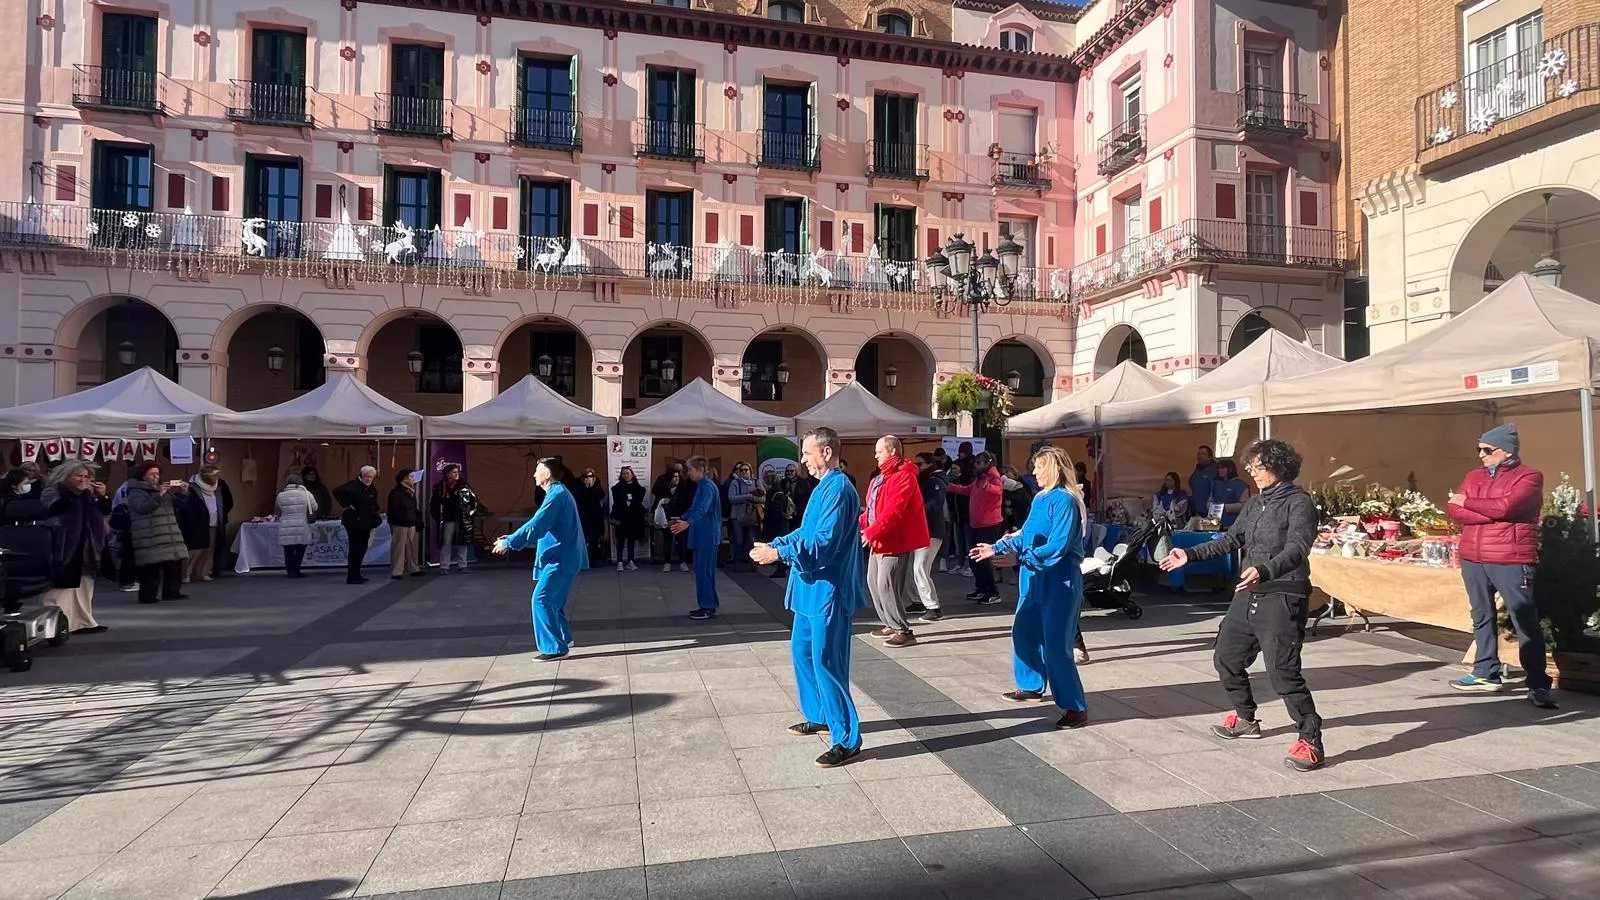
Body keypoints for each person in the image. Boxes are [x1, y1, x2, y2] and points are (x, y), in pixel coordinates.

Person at [1159, 439, 1325, 772]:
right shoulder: (1255, 503)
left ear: (1278, 466)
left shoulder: (1299, 503)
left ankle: (1310, 739)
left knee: (1283, 674)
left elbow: (1297, 548)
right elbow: (1232, 540)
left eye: (1258, 466)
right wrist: (1188, 554)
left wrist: (1265, 570)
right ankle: (1246, 718)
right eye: (1250, 466)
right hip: (1247, 593)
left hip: (1283, 594)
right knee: (1226, 657)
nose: (1252, 472)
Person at [750, 426, 865, 768]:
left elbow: (824, 543)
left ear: (827, 452)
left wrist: (778, 554)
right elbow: (806, 532)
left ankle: (846, 738)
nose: (802, 459)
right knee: (802, 652)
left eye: (807, 452)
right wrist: (776, 544)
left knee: (827, 661)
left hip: (828, 589)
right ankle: (820, 715)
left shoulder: (839, 489)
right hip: (808, 589)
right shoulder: (821, 488)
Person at [972, 445, 1090, 729]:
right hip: (1033, 578)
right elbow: (1025, 534)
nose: (1033, 472)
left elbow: (1059, 545)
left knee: (1056, 646)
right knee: (1023, 632)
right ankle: (1031, 685)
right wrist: (996, 547)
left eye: (1038, 467)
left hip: (1059, 582)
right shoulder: (1040, 498)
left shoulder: (1066, 501)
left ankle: (1075, 707)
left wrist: (1020, 557)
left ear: (1052, 468)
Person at [1447, 423, 1555, 708]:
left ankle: (1537, 683)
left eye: (1486, 449)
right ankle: (1485, 672)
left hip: (1511, 558)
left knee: (1524, 620)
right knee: (1481, 615)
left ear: (1506, 451)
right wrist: (1489, 510)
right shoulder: (1474, 476)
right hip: (1473, 556)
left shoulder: (1529, 477)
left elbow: (1506, 508)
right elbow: (1454, 511)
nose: (1481, 455)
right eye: (1478, 449)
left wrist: (1470, 502)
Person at [494, 457, 588, 660]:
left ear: (546, 474)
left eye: (537, 471)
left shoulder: (556, 495)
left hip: (560, 557)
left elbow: (537, 525)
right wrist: (510, 538)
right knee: (553, 601)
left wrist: (509, 542)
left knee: (541, 599)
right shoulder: (558, 493)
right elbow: (538, 524)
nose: (534, 475)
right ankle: (564, 637)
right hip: (563, 556)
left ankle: (555, 648)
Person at [861, 436, 930, 647]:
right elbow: (872, 508)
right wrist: (863, 526)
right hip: (879, 540)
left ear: (892, 452)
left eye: (879, 452)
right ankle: (889, 623)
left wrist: (872, 531)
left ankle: (903, 630)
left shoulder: (904, 477)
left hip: (895, 540)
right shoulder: (879, 478)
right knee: (874, 583)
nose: (875, 456)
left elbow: (893, 510)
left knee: (886, 585)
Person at [39, 460, 111, 633]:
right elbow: (54, 508)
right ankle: (59, 623)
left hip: (88, 542)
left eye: (86, 476)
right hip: (64, 542)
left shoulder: (89, 493)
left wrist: (103, 496)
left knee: (85, 584)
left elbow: (104, 510)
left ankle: (83, 621)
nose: (83, 479)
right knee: (61, 587)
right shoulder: (54, 490)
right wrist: (76, 493)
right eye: (78, 475)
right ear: (66, 475)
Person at [123, 461, 189, 604]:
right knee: (150, 566)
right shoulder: (136, 491)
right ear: (143, 475)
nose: (155, 477)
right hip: (149, 533)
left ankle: (172, 591)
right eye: (152, 474)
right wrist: (158, 495)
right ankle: (148, 595)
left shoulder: (163, 489)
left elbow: (179, 506)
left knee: (174, 563)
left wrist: (183, 493)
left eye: (157, 474)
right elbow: (142, 508)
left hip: (168, 531)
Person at [949, 451, 1005, 604]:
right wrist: (952, 487)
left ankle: (993, 592)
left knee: (983, 559)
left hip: (989, 524)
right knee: (974, 559)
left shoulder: (993, 476)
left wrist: (987, 485)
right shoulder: (980, 478)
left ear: (988, 462)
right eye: (976, 461)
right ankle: (981, 588)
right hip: (977, 523)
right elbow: (969, 490)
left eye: (979, 462)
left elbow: (997, 491)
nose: (976, 464)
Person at [670, 457, 722, 620]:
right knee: (701, 571)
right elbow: (694, 508)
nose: (688, 473)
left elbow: (702, 509)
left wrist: (687, 523)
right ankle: (707, 604)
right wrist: (681, 518)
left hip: (707, 535)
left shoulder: (707, 488)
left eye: (690, 470)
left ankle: (707, 606)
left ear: (700, 470)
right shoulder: (702, 486)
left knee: (705, 571)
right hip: (702, 534)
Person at [906, 452, 948, 622]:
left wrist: (914, 511)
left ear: (930, 464)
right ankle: (918, 600)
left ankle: (933, 606)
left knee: (920, 568)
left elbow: (933, 505)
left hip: (931, 531)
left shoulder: (934, 482)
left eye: (921, 463)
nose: (918, 467)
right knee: (912, 567)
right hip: (922, 530)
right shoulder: (925, 481)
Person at [177, 466, 229, 584]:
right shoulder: (193, 488)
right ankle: (186, 573)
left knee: (209, 549)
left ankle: (204, 572)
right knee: (195, 550)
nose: (216, 478)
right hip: (198, 523)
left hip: (214, 522)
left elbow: (225, 502)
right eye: (214, 475)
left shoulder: (218, 488)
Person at [334, 466, 381, 585]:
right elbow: (337, 491)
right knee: (355, 548)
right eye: (367, 476)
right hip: (354, 521)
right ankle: (352, 576)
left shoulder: (371, 488)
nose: (369, 479)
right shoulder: (353, 485)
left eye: (371, 477)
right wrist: (347, 504)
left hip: (366, 521)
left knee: (362, 548)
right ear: (361, 475)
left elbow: (373, 502)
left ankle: (357, 573)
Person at [430, 464, 481, 574]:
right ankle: (444, 566)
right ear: (447, 474)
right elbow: (433, 504)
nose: (457, 474)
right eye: (454, 472)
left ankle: (463, 565)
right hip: (447, 519)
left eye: (457, 472)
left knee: (462, 542)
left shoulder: (464, 486)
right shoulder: (439, 487)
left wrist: (469, 514)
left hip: (462, 519)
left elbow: (474, 501)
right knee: (446, 543)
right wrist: (437, 517)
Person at [275, 474, 317, 578]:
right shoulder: (307, 494)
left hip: (285, 525)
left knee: (288, 550)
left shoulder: (280, 495)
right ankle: (296, 569)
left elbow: (278, 511)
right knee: (300, 549)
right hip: (302, 524)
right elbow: (315, 507)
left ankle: (290, 570)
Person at [610, 466, 647, 572]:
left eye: (628, 473)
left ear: (632, 475)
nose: (626, 475)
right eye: (624, 473)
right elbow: (618, 500)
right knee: (620, 540)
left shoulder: (638, 487)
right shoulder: (617, 487)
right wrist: (628, 499)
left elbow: (638, 499)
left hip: (633, 517)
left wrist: (629, 499)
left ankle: (631, 560)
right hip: (621, 516)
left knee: (631, 540)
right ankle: (619, 561)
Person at [388, 469, 423, 580]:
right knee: (399, 547)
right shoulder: (397, 492)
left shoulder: (410, 491)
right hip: (400, 523)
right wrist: (402, 518)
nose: (414, 479)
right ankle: (397, 571)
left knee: (412, 546)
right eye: (411, 477)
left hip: (411, 522)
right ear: (404, 479)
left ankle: (414, 568)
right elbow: (394, 509)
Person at [762, 471, 795, 578]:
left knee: (780, 545)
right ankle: (782, 567)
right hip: (780, 524)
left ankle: (781, 569)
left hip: (778, 525)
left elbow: (776, 511)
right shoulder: (777, 492)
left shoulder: (776, 493)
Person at [727, 462, 758, 568]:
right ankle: (738, 564)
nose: (744, 472)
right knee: (739, 540)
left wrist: (753, 498)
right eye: (741, 470)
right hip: (737, 516)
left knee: (751, 540)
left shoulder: (756, 482)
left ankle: (753, 564)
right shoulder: (735, 483)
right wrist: (747, 497)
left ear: (750, 471)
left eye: (746, 470)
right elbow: (731, 498)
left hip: (752, 515)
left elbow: (763, 498)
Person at [654, 470, 682, 572]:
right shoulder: (663, 489)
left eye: (678, 476)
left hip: (679, 516)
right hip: (667, 517)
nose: (677, 478)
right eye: (674, 476)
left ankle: (682, 561)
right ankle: (667, 562)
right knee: (667, 540)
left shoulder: (681, 488)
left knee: (681, 540)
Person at [1209, 460, 1249, 529]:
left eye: (1222, 468)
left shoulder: (1240, 485)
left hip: (1233, 524)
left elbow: (1245, 505)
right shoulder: (1216, 483)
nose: (1219, 470)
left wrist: (1225, 507)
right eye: (1218, 468)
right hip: (1215, 524)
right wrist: (1211, 506)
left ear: (1230, 469)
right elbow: (1210, 499)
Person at [1189, 446, 1219, 520]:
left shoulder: (1215, 470)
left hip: (1210, 511)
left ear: (1210, 457)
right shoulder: (1198, 469)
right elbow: (1191, 483)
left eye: (1203, 454)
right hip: (1197, 510)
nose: (1199, 456)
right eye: (1198, 454)